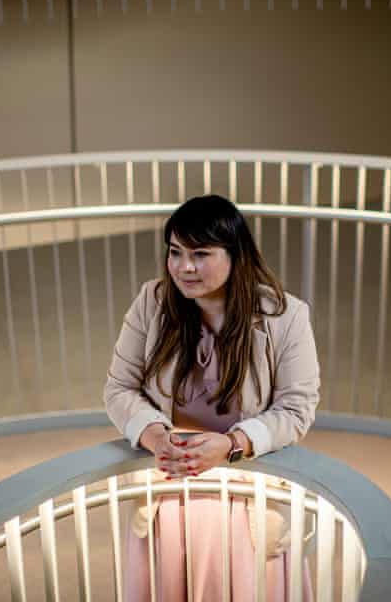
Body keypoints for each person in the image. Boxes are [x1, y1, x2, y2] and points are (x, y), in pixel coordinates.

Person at [104, 194, 320, 601]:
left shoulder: (286, 315)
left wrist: (234, 444)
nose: (184, 267)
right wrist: (153, 435)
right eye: (175, 252)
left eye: (200, 253)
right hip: (167, 481)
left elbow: (296, 409)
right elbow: (119, 388)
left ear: (235, 255)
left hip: (247, 486)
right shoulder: (152, 302)